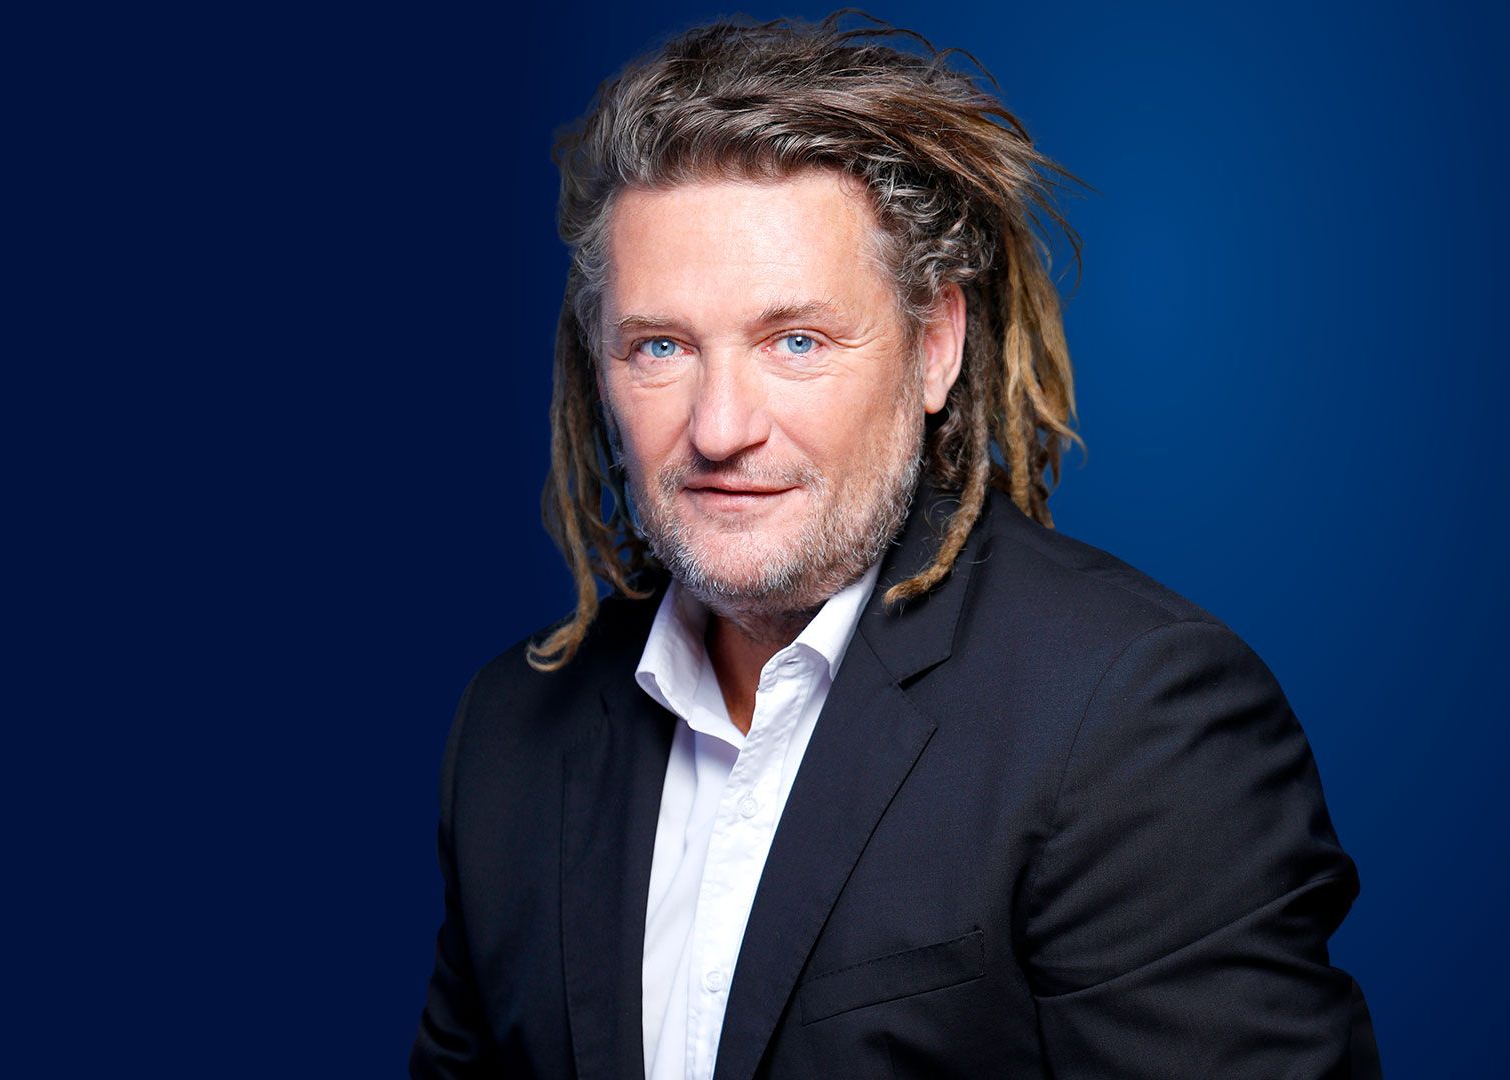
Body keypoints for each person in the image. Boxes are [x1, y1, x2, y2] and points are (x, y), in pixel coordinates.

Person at [411, 12, 1379, 1079]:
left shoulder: (1132, 726)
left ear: (934, 348)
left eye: (796, 341)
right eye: (661, 347)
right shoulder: (509, 738)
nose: (720, 427)